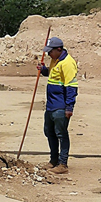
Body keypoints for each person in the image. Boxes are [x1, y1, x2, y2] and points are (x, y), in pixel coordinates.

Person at [37, 36, 78, 174]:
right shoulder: (55, 60)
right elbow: (51, 74)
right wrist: (43, 70)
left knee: (61, 134)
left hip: (61, 106)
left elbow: (71, 87)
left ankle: (63, 163)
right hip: (50, 105)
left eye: (50, 51)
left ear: (59, 49)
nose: (48, 53)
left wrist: (69, 107)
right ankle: (53, 160)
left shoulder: (68, 63)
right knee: (49, 132)